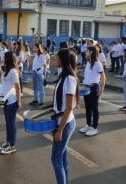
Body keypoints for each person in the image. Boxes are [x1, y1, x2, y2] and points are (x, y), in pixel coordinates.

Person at [51, 49, 78, 184]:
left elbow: (68, 108)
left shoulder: (69, 79)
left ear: (64, 60)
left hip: (65, 124)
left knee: (55, 159)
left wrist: (59, 130)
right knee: (62, 157)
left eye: (57, 58)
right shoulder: (63, 76)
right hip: (61, 121)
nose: (55, 60)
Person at [0, 51, 22, 155]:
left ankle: (12, 145)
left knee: (11, 123)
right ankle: (8, 142)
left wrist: (19, 102)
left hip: (12, 101)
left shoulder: (13, 72)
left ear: (8, 59)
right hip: (6, 100)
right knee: (8, 123)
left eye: (4, 57)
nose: (2, 58)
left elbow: (18, 88)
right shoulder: (7, 70)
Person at [79, 46, 106, 136]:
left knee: (94, 108)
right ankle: (88, 124)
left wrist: (101, 91)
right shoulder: (88, 62)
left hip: (94, 88)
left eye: (86, 51)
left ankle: (95, 127)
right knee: (87, 107)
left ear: (91, 52)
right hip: (86, 87)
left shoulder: (97, 63)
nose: (85, 52)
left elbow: (103, 77)